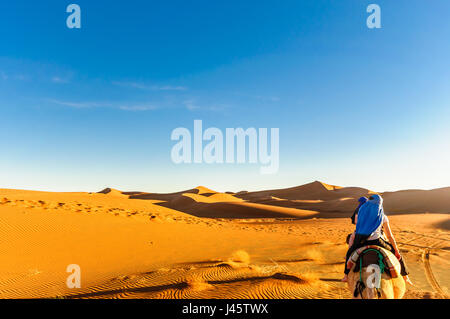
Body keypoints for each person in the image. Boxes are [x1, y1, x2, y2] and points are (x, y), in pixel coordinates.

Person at [341, 194, 413, 285]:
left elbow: (358, 227)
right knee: (396, 254)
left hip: (361, 241)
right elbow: (389, 236)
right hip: (377, 241)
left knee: (349, 253)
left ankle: (346, 276)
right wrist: (396, 250)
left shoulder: (361, 213)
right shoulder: (383, 216)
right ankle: (405, 276)